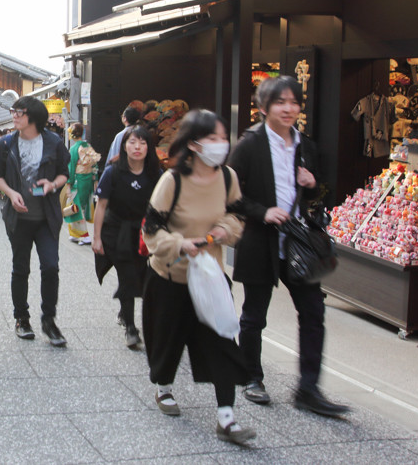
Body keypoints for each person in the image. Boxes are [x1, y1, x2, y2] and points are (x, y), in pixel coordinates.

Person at [229, 75, 350, 417]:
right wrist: (262, 211)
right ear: (264, 106)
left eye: (294, 102)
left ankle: (308, 389)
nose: (288, 108)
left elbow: (316, 192)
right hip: (260, 240)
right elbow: (231, 195)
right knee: (254, 315)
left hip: (298, 242)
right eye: (280, 102)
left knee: (313, 313)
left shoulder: (305, 145)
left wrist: (312, 185)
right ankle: (252, 377)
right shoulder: (249, 144)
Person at [141, 109, 254, 444]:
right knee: (167, 339)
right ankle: (164, 387)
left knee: (220, 342)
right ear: (192, 144)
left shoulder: (228, 178)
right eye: (213, 138)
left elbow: (237, 215)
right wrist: (179, 243)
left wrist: (225, 230)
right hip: (171, 277)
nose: (222, 144)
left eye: (223, 137)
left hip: (210, 277)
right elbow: (151, 229)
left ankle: (227, 419)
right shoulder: (171, 180)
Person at [0, 96, 70, 346]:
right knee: (21, 268)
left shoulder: (54, 142)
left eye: (19, 112)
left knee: (50, 267)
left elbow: (64, 174)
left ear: (33, 116)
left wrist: (52, 184)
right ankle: (21, 319)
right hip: (19, 218)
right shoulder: (5, 143)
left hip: (46, 217)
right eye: (12, 111)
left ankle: (49, 320)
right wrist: (11, 193)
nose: (13, 115)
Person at [92, 125, 160, 348]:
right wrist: (97, 237)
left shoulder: (156, 174)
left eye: (142, 143)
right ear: (124, 146)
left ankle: (124, 310)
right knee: (127, 277)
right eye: (132, 142)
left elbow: (165, 206)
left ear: (149, 147)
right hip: (117, 232)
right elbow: (101, 206)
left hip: (145, 233)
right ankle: (131, 328)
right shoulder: (113, 171)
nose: (137, 147)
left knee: (142, 277)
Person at [65, 123, 100, 245]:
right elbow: (95, 164)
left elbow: (71, 168)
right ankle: (74, 234)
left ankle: (85, 235)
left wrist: (68, 185)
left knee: (76, 206)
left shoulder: (74, 149)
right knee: (80, 206)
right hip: (88, 179)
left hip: (78, 180)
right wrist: (95, 180)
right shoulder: (87, 145)